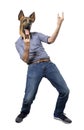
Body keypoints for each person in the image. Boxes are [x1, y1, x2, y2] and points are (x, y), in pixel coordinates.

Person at [15, 12, 72, 124]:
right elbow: (25, 60)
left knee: (65, 91)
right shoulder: (18, 42)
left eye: (29, 22)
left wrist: (59, 24)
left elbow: (50, 40)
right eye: (25, 22)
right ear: (20, 22)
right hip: (33, 66)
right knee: (29, 97)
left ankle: (59, 113)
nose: (27, 24)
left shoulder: (36, 35)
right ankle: (24, 112)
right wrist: (27, 46)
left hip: (48, 64)